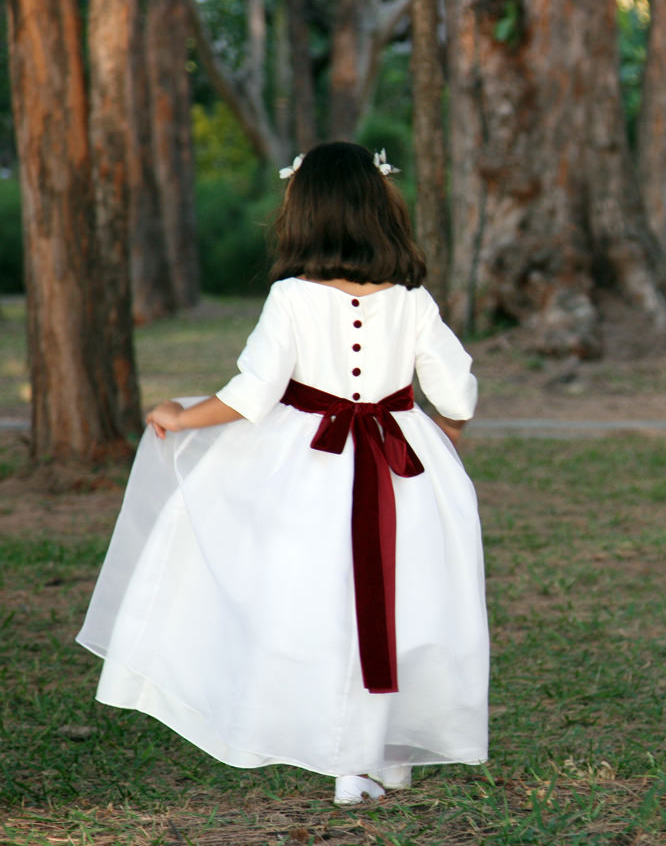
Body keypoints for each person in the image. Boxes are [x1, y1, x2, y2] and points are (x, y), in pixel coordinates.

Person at [76, 142, 489, 807]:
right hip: (404, 469)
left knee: (321, 609)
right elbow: (458, 393)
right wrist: (451, 432)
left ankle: (346, 762)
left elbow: (252, 393)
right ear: (381, 208)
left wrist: (183, 419)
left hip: (311, 476)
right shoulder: (412, 299)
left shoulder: (292, 296)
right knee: (401, 604)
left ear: (306, 213)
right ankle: (389, 753)